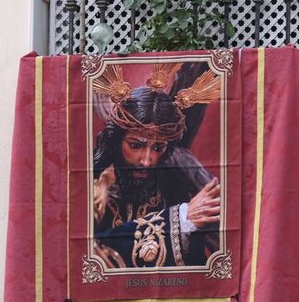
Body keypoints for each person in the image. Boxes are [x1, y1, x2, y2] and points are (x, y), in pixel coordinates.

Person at [90, 62, 222, 269]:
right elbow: (86, 251)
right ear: (116, 141)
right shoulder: (94, 187)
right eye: (135, 145)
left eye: (158, 148)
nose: (147, 160)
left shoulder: (173, 182)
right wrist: (180, 219)